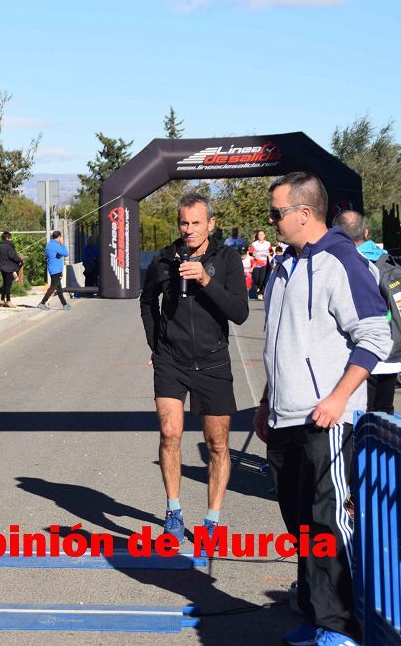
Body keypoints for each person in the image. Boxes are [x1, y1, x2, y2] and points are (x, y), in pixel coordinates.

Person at [255, 172, 391, 646]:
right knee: (302, 526)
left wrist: (338, 397)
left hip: (326, 418)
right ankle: (318, 615)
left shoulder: (340, 260)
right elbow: (281, 341)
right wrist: (267, 399)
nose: (271, 221)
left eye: (276, 213)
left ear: (304, 213)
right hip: (284, 416)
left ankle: (341, 628)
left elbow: (376, 335)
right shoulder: (284, 264)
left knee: (328, 523)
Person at [139, 193, 248, 544]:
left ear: (211, 224)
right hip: (171, 359)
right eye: (184, 223)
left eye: (196, 223)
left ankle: (212, 519)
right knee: (170, 433)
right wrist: (156, 345)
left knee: (217, 443)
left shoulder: (228, 259)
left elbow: (240, 313)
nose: (189, 230)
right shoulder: (164, 260)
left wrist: (204, 280)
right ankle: (173, 511)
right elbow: (147, 302)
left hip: (213, 360)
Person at [333, 210, 401, 414]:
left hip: (362, 359)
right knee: (383, 417)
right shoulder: (386, 259)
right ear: (367, 233)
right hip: (392, 354)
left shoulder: (345, 262)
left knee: (361, 420)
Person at [37, 231, 70, 311]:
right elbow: (66, 253)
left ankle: (64, 304)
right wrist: (62, 244)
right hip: (56, 269)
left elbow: (56, 254)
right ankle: (42, 303)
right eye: (60, 238)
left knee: (59, 288)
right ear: (58, 237)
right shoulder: (56, 245)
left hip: (52, 268)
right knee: (53, 287)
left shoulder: (49, 244)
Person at [0, 232, 22, 307]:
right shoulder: (9, 246)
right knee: (8, 285)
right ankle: (8, 301)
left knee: (5, 284)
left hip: (2, 267)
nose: (11, 239)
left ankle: (2, 300)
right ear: (7, 238)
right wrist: (20, 261)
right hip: (9, 268)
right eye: (10, 238)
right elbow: (13, 256)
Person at [248, 229, 272, 299]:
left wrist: (269, 253)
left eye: (262, 234)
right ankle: (257, 288)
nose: (261, 236)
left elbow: (271, 252)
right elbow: (250, 252)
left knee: (262, 278)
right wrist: (254, 255)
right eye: (259, 234)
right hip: (256, 263)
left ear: (264, 236)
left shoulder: (268, 243)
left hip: (265, 263)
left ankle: (260, 292)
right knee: (256, 278)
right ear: (257, 236)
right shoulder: (254, 244)